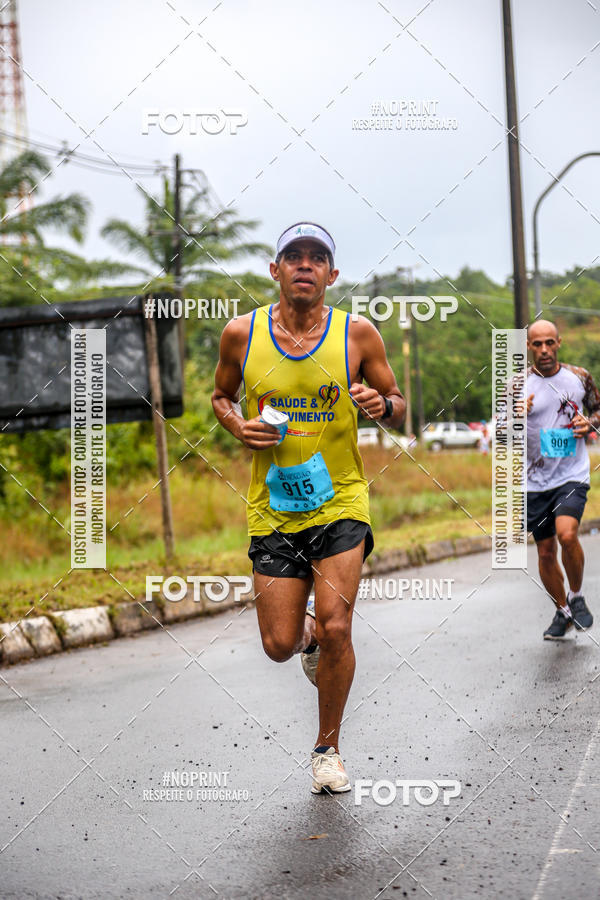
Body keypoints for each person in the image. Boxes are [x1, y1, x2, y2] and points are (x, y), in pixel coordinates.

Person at [212, 222, 405, 792]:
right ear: (275, 271)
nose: (304, 265)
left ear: (331, 274)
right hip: (273, 506)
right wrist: (237, 426)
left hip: (341, 500)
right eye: (292, 256)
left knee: (339, 623)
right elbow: (220, 396)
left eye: (316, 258)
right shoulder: (241, 336)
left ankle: (327, 750)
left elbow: (397, 404)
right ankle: (309, 641)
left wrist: (381, 404)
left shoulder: (358, 335)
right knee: (277, 645)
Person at [526, 320, 600, 640]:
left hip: (571, 472)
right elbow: (501, 432)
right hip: (534, 479)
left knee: (566, 535)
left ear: (559, 343)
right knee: (544, 552)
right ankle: (563, 611)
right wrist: (515, 416)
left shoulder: (579, 377)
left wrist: (590, 422)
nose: (544, 350)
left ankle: (577, 595)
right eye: (537, 344)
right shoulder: (516, 385)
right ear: (528, 347)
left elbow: (599, 411)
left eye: (549, 343)